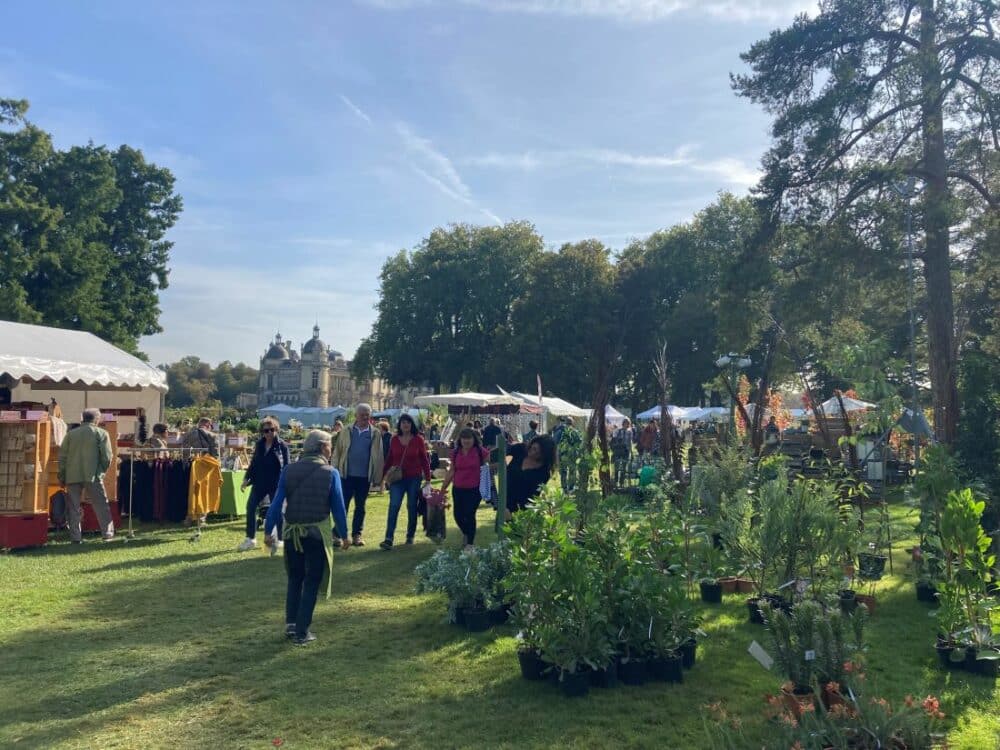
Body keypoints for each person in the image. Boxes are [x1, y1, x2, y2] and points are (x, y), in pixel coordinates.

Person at [264, 429, 350, 646]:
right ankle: (303, 632)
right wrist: (345, 534)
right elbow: (338, 508)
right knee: (311, 580)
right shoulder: (331, 473)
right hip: (316, 534)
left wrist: (267, 530)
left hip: (292, 533)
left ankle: (291, 624)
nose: (331, 449)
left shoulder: (289, 470)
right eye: (330, 445)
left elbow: (276, 504)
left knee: (295, 578)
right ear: (323, 447)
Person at [58, 408, 115, 543]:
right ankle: (107, 534)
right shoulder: (101, 433)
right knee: (101, 505)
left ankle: (76, 537)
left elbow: (62, 457)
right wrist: (100, 472)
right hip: (93, 475)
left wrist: (62, 476)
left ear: (82, 418)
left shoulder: (70, 434)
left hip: (72, 475)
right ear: (97, 419)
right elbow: (107, 457)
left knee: (74, 508)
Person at [332, 403, 384, 547]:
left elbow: (379, 456)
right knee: (343, 506)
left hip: (364, 477)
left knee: (360, 507)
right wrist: (334, 470)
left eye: (368, 414)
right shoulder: (346, 430)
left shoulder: (375, 433)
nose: (365, 417)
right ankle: (337, 534)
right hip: (346, 475)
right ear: (356, 415)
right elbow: (338, 451)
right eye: (362, 414)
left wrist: (378, 478)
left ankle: (357, 535)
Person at [380, 413, 431, 550]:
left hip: (414, 478)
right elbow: (390, 458)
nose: (406, 424)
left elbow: (424, 460)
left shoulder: (418, 439)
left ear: (411, 424)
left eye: (408, 422)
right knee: (394, 506)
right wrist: (382, 476)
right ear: (400, 425)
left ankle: (410, 535)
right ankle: (388, 538)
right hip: (397, 479)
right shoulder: (394, 439)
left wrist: (428, 478)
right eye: (403, 422)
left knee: (411, 506)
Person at [238, 417, 290, 551]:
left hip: (275, 484)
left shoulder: (282, 446)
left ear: (276, 430)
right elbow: (254, 463)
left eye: (272, 430)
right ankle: (250, 539)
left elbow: (287, 467)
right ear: (262, 432)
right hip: (259, 483)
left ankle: (280, 539)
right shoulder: (259, 444)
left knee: (277, 511)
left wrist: (286, 484)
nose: (269, 433)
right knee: (250, 508)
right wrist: (246, 478)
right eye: (266, 430)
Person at [439, 428, 489, 550]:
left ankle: (470, 544)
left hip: (475, 489)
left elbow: (488, 467)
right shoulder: (455, 453)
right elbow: (451, 471)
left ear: (474, 439)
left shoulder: (480, 452)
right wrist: (443, 488)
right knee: (458, 515)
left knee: (470, 514)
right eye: (464, 438)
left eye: (469, 438)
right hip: (458, 488)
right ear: (460, 440)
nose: (466, 441)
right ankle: (466, 533)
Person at [506, 435, 557, 515]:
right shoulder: (520, 449)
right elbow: (500, 452)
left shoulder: (544, 471)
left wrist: (513, 513)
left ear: (545, 456)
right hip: (504, 504)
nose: (533, 453)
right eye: (534, 448)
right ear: (532, 443)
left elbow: (532, 495)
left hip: (524, 511)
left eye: (538, 453)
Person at [611, 418, 635, 487]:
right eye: (625, 423)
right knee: (617, 467)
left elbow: (630, 443)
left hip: (626, 452)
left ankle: (621, 483)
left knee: (624, 468)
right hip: (618, 451)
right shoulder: (618, 431)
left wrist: (631, 452)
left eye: (628, 424)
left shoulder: (630, 432)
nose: (626, 425)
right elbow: (613, 441)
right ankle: (615, 482)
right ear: (623, 424)